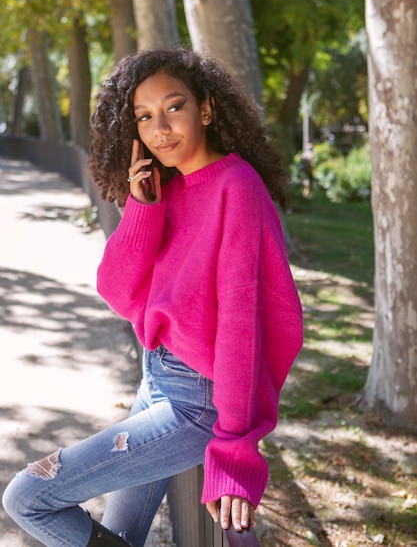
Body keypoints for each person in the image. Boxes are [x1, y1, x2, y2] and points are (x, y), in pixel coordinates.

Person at [3, 47, 303, 547]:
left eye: (174, 107)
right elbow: (119, 293)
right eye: (144, 116)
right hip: (156, 382)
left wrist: (234, 447)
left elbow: (241, 325)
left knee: (27, 496)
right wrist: (142, 210)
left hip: (197, 404)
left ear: (205, 109)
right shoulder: (169, 187)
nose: (160, 128)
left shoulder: (237, 187)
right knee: (118, 536)